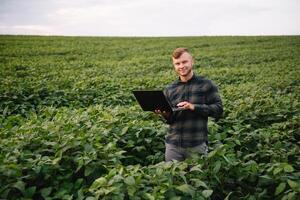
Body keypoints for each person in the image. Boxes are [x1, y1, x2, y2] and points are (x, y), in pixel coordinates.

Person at [155, 47, 223, 162]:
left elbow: (218, 110)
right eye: (177, 63)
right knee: (173, 179)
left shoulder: (206, 85)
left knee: (197, 177)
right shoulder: (170, 89)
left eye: (184, 62)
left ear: (192, 61)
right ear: (174, 66)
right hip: (173, 146)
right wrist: (164, 114)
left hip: (196, 144)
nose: (181, 66)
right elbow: (171, 120)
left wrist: (193, 107)